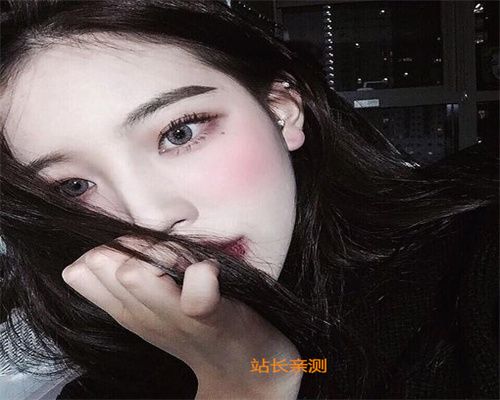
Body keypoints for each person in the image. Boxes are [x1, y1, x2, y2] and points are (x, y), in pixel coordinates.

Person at [0, 1, 497, 399]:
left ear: (282, 111)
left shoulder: (474, 261)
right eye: (73, 187)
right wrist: (246, 381)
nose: (150, 217)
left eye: (179, 133)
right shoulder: (112, 379)